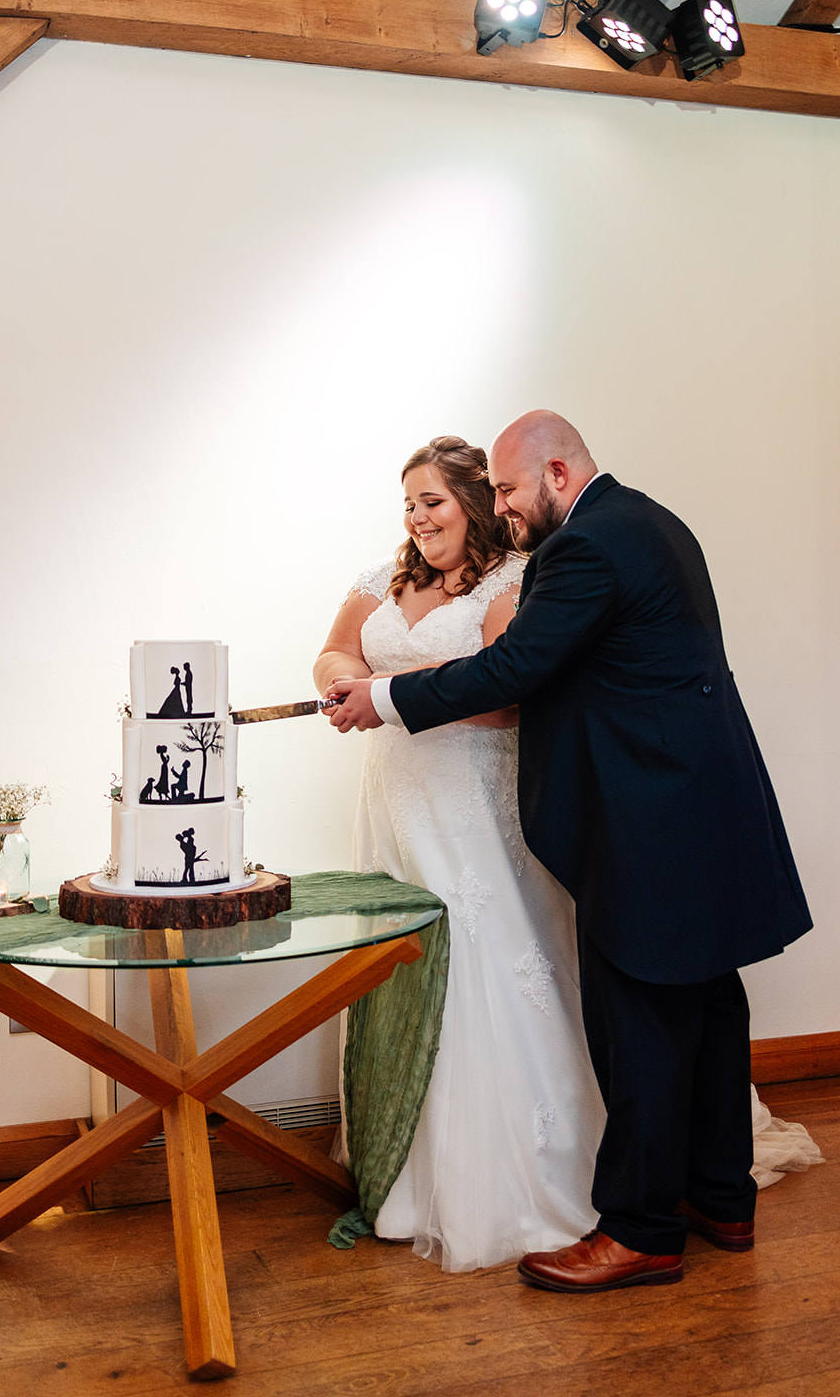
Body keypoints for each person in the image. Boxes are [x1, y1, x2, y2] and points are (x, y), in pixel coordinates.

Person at [326, 411, 813, 1292]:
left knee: (640, 1026)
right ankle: (718, 1198)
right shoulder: (652, 520)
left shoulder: (584, 546)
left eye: (508, 489)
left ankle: (639, 1231)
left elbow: (515, 672)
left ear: (556, 473)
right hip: (697, 802)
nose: (502, 506)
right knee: (707, 1007)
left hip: (644, 818)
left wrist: (386, 700)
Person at [315, 436, 605, 1272]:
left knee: (487, 958)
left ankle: (522, 1175)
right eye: (407, 503)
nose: (415, 517)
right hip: (396, 799)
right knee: (398, 964)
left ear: (476, 503)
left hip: (474, 799)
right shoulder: (382, 576)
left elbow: (506, 697)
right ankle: (403, 1166)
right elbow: (335, 651)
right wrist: (347, 680)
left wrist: (394, 693)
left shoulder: (513, 581)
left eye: (431, 501)